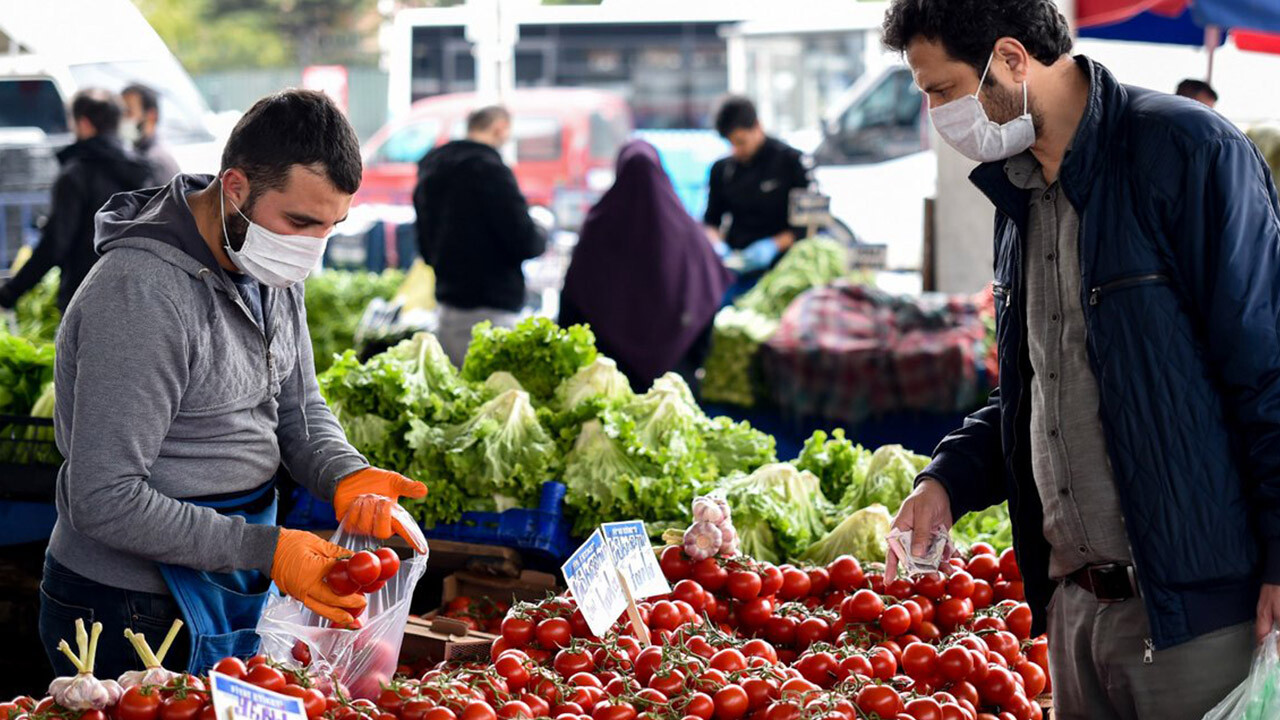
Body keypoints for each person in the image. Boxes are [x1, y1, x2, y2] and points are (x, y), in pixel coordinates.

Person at [882, 1, 1280, 718]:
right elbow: (1044, 390)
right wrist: (948, 479)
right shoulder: (1022, 197)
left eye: (940, 89)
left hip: (1194, 616)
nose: (935, 113)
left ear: (1008, 59)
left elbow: (1268, 372)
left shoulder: (1187, 153)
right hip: (1075, 613)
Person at [40, 89, 429, 678]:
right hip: (130, 607)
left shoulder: (266, 260)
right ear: (235, 187)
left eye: (330, 226)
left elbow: (298, 407)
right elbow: (104, 498)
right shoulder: (140, 296)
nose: (311, 247)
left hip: (230, 574)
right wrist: (266, 549)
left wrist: (345, 472)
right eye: (300, 221)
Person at [559, 140, 732, 392]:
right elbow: (707, 294)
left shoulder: (599, 226)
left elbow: (574, 298)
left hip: (607, 379)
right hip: (673, 380)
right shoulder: (686, 231)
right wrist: (695, 356)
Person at [413, 105, 547, 366]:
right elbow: (524, 241)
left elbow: (425, 246)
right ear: (500, 129)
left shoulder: (432, 169)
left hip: (447, 307)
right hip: (492, 309)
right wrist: (541, 230)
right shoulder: (491, 170)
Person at [0, 89, 152, 311]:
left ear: (84, 124)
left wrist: (11, 292)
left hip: (85, 295)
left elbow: (55, 243)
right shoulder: (143, 171)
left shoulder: (76, 174)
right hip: (135, 295)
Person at [703, 96, 808, 283]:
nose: (736, 150)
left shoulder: (792, 162)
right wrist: (717, 246)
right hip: (738, 267)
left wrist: (773, 245)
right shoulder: (721, 170)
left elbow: (808, 225)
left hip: (784, 268)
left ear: (758, 126)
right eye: (731, 144)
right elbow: (710, 221)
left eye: (741, 142)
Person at [121, 82, 182, 185]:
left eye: (129, 112)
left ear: (151, 116)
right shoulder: (137, 154)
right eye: (120, 113)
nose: (123, 119)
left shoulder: (156, 160)